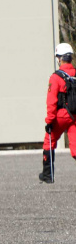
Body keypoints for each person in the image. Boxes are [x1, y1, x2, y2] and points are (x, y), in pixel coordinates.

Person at [39, 43, 76, 183]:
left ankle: (48, 175)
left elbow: (52, 101)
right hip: (75, 116)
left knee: (49, 142)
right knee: (75, 148)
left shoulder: (56, 77)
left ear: (60, 59)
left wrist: (49, 121)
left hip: (61, 116)